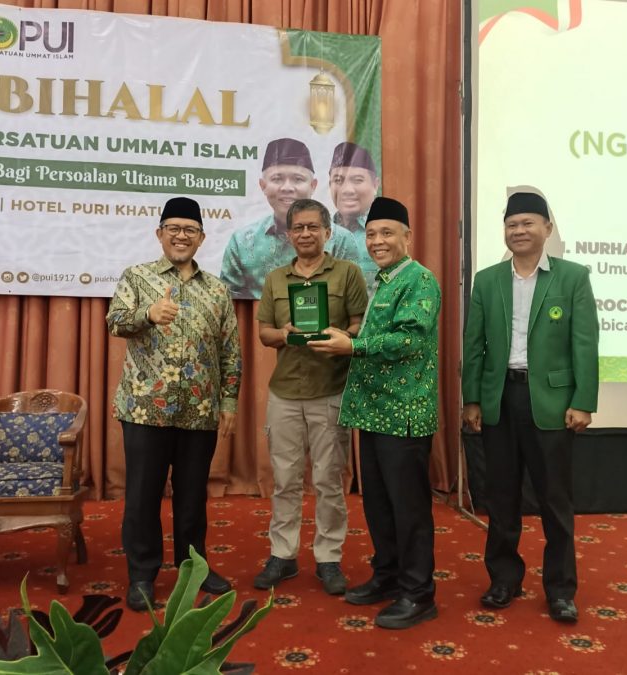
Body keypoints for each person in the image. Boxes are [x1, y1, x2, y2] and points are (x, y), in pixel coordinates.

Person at [461, 191, 599, 624]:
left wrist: (583, 401)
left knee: (554, 500)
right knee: (501, 497)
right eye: (512, 224)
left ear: (547, 228)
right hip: (500, 398)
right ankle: (504, 579)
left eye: (527, 223)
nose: (519, 231)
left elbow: (585, 343)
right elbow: (474, 344)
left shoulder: (572, 277)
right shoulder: (487, 280)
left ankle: (561, 590)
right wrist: (471, 398)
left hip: (552, 403)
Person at [310, 196, 441, 629]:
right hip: (372, 412)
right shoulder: (383, 280)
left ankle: (419, 593)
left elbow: (410, 340)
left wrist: (353, 345)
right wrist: (347, 339)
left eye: (387, 233)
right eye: (371, 234)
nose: (377, 241)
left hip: (404, 416)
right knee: (380, 507)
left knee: (409, 510)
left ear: (408, 236)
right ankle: (388, 576)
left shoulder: (420, 280)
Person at [106, 196, 242, 612]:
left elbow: (230, 350)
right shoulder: (137, 277)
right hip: (145, 409)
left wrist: (229, 401)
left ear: (201, 237)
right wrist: (147, 313)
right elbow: (115, 322)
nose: (181, 236)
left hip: (199, 411)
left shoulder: (217, 289)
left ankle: (193, 568)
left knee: (192, 498)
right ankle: (142, 575)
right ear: (160, 233)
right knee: (142, 496)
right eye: (174, 228)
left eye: (190, 230)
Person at [254, 198, 368, 595]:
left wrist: (341, 338)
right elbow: (264, 332)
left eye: (313, 227)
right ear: (288, 234)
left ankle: (328, 558)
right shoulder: (275, 279)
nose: (305, 234)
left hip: (330, 390)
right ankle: (282, 555)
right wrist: (284, 335)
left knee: (328, 479)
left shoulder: (348, 273)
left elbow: (359, 324)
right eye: (298, 228)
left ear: (327, 232)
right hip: (284, 393)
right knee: (285, 480)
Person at [220, 138, 360, 299]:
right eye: (277, 179)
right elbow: (229, 303)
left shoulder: (341, 240)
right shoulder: (242, 242)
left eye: (298, 179)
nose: (287, 188)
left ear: (313, 185)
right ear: (263, 185)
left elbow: (353, 299)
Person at [329, 141, 380, 290]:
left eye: (357, 180)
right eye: (338, 180)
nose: (347, 190)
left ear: (375, 185)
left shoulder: (388, 233)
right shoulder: (318, 233)